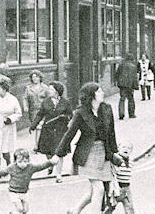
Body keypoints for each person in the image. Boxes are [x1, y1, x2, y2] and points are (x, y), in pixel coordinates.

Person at [51, 82, 121, 214]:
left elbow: (111, 132)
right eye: (99, 91)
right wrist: (58, 154)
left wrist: (114, 153)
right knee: (99, 189)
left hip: (104, 153)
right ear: (91, 95)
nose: (102, 93)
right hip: (88, 153)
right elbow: (69, 134)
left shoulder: (107, 109)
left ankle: (75, 210)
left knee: (93, 190)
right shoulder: (80, 112)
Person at [0, 147, 56, 213]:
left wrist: (50, 162)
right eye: (20, 162)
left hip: (24, 192)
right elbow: (3, 172)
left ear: (28, 160)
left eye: (25, 161)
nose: (22, 164)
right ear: (15, 161)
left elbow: (41, 166)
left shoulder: (30, 167)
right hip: (14, 192)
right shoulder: (12, 167)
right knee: (20, 208)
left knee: (25, 210)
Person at [30, 80, 72, 181]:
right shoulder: (46, 101)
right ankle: (51, 164)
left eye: (51, 89)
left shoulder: (65, 102)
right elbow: (40, 114)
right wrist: (33, 125)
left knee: (59, 152)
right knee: (48, 152)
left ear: (57, 91)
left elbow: (71, 115)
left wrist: (66, 117)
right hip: (48, 130)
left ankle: (58, 174)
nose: (49, 91)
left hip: (60, 130)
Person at [102, 140, 134, 214]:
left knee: (129, 207)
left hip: (126, 188)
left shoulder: (131, 161)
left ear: (131, 151)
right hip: (116, 187)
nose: (126, 149)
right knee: (110, 206)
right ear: (118, 148)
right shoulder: (116, 160)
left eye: (129, 148)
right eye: (123, 147)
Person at [22, 71, 51, 135]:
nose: (34, 79)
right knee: (36, 127)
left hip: (43, 111)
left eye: (36, 77)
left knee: (41, 127)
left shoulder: (45, 88)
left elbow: (49, 98)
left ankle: (40, 142)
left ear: (40, 78)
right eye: (33, 77)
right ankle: (37, 142)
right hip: (33, 111)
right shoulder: (28, 88)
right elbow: (25, 98)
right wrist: (25, 106)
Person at [114, 53, 138, 120]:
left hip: (122, 85)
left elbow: (117, 74)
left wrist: (118, 81)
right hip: (130, 85)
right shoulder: (133, 66)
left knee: (122, 99)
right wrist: (136, 86)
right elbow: (134, 77)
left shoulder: (121, 65)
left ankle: (121, 114)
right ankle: (131, 114)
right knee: (131, 99)